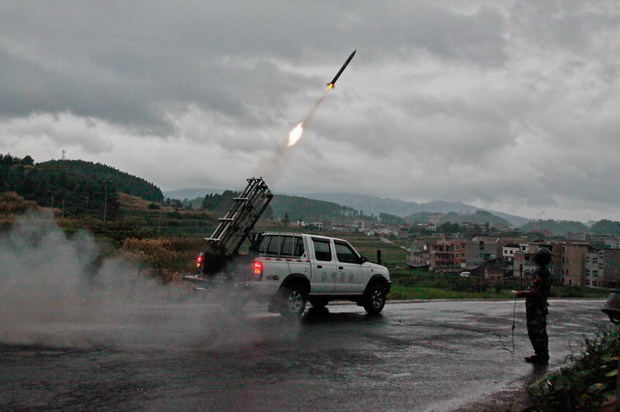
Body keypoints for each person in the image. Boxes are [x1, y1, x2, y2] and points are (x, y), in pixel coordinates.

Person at [514, 247, 552, 364]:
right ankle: (541, 354)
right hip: (540, 306)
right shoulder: (545, 271)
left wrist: (522, 293)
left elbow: (536, 291)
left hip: (535, 306)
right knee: (540, 331)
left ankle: (541, 355)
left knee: (536, 331)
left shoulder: (539, 272)